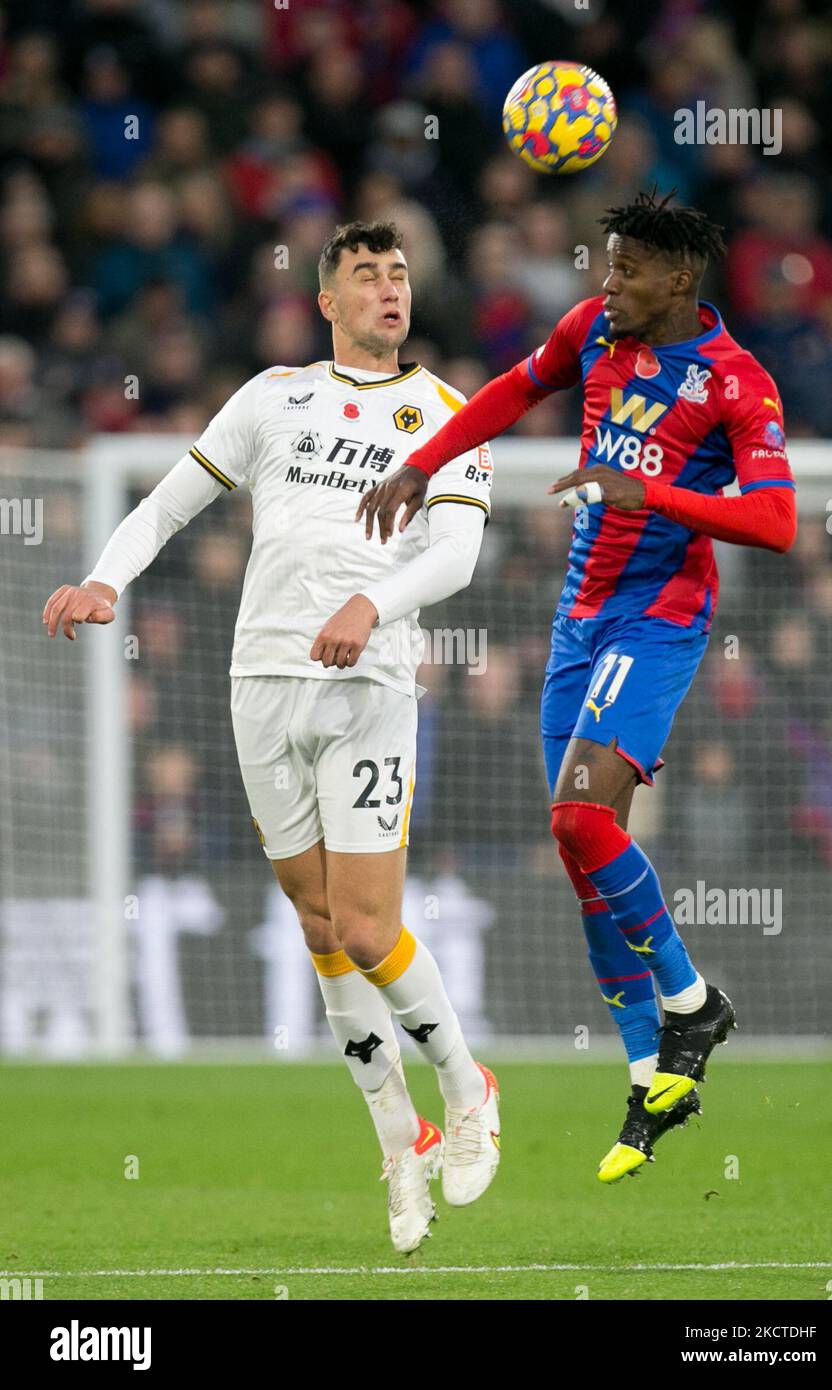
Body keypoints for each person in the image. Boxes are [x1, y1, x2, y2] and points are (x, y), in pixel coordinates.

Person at [42, 221, 500, 1251]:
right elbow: (166, 503)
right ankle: (399, 1140)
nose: (389, 290)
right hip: (260, 682)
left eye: (399, 275)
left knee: (371, 926)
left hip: (368, 684)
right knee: (320, 927)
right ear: (325, 301)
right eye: (365, 277)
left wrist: (371, 607)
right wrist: (106, 576)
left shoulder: (444, 413)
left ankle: (469, 1090)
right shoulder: (271, 397)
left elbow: (458, 560)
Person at [356, 190, 797, 1183]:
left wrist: (657, 494)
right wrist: (423, 463)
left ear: (677, 280)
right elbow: (514, 388)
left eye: (628, 269)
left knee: (580, 824)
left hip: (660, 614)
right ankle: (650, 1076)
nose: (608, 283)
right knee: (577, 848)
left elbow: (773, 522)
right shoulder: (592, 331)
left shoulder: (736, 383)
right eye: (606, 264)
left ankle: (692, 1004)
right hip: (577, 617)